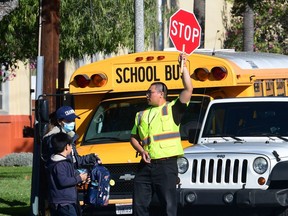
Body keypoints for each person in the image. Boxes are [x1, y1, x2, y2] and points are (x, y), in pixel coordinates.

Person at [130, 53, 193, 216]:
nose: (146, 95)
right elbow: (133, 137)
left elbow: (188, 89)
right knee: (139, 206)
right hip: (146, 165)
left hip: (166, 166)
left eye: (149, 92)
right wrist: (142, 151)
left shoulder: (173, 109)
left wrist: (184, 67)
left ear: (160, 93)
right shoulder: (140, 114)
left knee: (168, 208)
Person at [46, 132, 89, 216]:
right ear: (66, 147)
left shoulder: (62, 162)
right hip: (63, 203)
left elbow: (70, 176)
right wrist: (79, 178)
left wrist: (81, 180)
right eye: (71, 145)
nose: (72, 147)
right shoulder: (60, 164)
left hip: (64, 202)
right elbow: (63, 181)